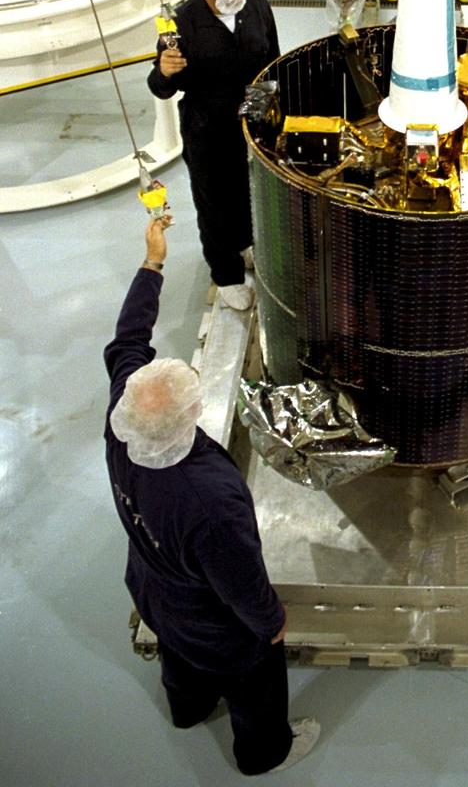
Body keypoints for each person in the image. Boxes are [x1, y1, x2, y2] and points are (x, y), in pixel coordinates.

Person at [104, 217, 320, 775]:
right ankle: (263, 752)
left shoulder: (122, 420)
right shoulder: (208, 500)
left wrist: (152, 262)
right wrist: (270, 623)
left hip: (152, 590)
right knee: (256, 685)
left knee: (179, 661)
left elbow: (127, 340)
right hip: (216, 628)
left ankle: (189, 708)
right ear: (191, 417)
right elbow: (239, 581)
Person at [147, 0, 278, 310]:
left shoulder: (258, 7)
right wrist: (163, 72)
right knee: (215, 205)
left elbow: (272, 64)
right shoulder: (181, 24)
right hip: (207, 130)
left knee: (250, 194)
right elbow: (160, 88)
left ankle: (247, 243)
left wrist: (268, 117)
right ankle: (227, 275)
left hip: (250, 125)